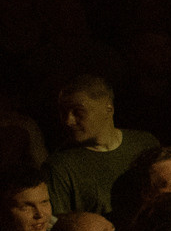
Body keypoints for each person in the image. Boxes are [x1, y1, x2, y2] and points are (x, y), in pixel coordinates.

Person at [47, 77, 163, 222]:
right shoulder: (59, 166)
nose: (68, 121)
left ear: (108, 109)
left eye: (78, 112)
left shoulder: (144, 143)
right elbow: (60, 224)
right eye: (64, 112)